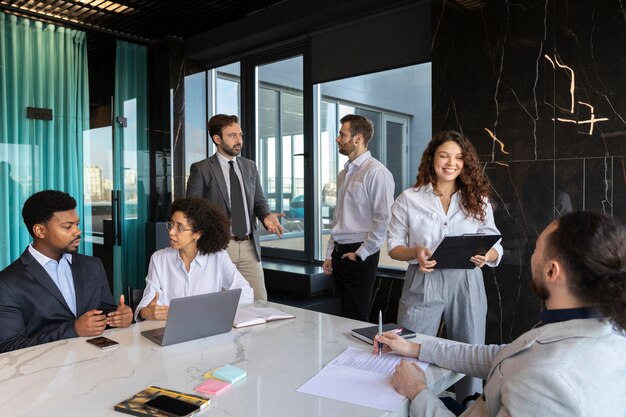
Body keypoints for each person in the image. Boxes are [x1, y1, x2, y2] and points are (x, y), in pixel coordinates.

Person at [376, 211, 626, 417]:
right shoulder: (597, 327)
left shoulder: (549, 381)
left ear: (551, 271)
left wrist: (417, 390)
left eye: (536, 248)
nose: (531, 256)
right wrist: (417, 348)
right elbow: (506, 354)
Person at [386, 130, 503, 401]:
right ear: (432, 159)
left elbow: (496, 245)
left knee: (471, 349)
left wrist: (488, 256)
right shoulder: (409, 198)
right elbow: (393, 246)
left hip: (467, 281)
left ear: (466, 163)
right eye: (444, 155)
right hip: (423, 278)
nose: (451, 163)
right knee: (411, 345)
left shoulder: (478, 198)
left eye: (459, 157)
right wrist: (415, 252)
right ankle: (412, 401)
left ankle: (469, 406)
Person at [0, 190, 133, 353]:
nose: (77, 231)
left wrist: (119, 316)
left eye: (77, 224)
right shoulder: (8, 282)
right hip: (43, 373)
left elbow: (105, 312)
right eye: (68, 227)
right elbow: (8, 346)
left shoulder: (92, 266)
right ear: (40, 231)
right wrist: (73, 330)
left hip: (95, 366)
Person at [186, 114, 284, 301]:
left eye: (240, 134)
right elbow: (192, 209)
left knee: (259, 301)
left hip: (249, 247)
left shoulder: (249, 166)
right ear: (217, 139)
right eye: (232, 135)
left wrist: (266, 216)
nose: (239, 140)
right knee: (223, 305)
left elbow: (259, 200)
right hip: (220, 247)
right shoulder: (202, 169)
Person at [322, 114, 394, 321]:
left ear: (358, 138)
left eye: (341, 134)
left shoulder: (376, 172)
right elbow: (339, 218)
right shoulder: (344, 174)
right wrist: (329, 253)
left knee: (356, 317)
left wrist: (361, 254)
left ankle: (358, 355)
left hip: (359, 254)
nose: (337, 139)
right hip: (339, 253)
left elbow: (384, 219)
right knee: (342, 316)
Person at [135, 198, 253, 321]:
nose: (171, 232)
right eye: (171, 224)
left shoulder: (218, 257)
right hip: (170, 330)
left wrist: (215, 309)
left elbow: (246, 293)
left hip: (207, 329)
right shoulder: (159, 259)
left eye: (179, 227)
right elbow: (148, 301)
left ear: (198, 233)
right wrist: (146, 312)